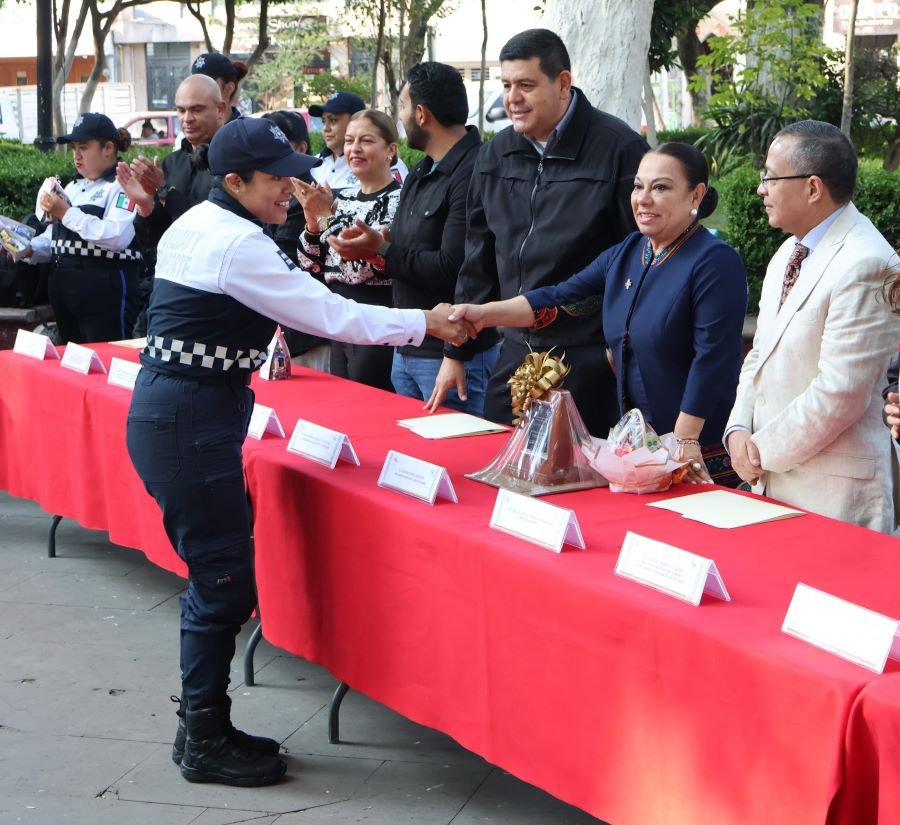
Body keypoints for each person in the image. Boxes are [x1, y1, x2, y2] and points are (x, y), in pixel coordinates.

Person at [125, 116, 466, 788]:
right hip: (191, 416)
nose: (294, 185)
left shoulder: (202, 223)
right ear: (233, 181)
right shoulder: (234, 243)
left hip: (183, 409)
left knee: (217, 576)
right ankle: (203, 735)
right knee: (221, 580)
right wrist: (423, 321)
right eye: (278, 176)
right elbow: (329, 315)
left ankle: (205, 723)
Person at [450, 143, 748, 484]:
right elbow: (558, 298)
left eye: (660, 187)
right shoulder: (629, 251)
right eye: (638, 186)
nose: (643, 199)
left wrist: (685, 439)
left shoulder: (714, 261)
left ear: (695, 196)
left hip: (696, 450)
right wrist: (483, 314)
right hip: (639, 447)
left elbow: (713, 357)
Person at [426, 29, 647, 434]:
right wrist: (454, 351)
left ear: (563, 83)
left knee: (578, 483)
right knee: (495, 471)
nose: (512, 98)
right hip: (513, 352)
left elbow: (640, 259)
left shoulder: (619, 149)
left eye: (526, 85)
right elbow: (479, 258)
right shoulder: (494, 153)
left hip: (588, 357)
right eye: (507, 85)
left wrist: (617, 348)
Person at [725, 120, 898, 532]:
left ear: (813, 187)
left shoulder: (867, 261)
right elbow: (759, 357)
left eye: (769, 176)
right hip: (769, 476)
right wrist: (736, 429)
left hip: (833, 493)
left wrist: (758, 450)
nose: (760, 188)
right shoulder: (788, 251)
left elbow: (841, 392)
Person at [328, 62, 500, 415]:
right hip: (408, 344)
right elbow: (408, 246)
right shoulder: (421, 170)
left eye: (403, 107)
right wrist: (377, 242)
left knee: (454, 460)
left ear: (421, 114)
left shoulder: (474, 171)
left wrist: (382, 249)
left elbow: (457, 267)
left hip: (451, 354)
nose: (401, 116)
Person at [294, 109, 403, 391]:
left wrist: (325, 218)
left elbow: (357, 269)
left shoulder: (398, 200)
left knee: (369, 400)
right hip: (338, 317)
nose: (354, 149)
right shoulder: (342, 199)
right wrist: (313, 224)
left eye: (365, 141)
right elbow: (310, 265)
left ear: (390, 150)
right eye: (350, 140)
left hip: (374, 318)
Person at [116, 74, 228, 334]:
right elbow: (156, 239)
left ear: (220, 109)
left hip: (213, 294)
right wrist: (145, 206)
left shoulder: (234, 161)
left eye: (196, 109)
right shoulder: (172, 162)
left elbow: (211, 227)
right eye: (181, 110)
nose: (187, 119)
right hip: (168, 287)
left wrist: (164, 191)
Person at [24, 113, 141, 343]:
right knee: (72, 367)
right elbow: (58, 238)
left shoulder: (123, 185)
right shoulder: (73, 186)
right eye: (74, 148)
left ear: (108, 148)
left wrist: (66, 212)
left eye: (84, 147)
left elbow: (116, 236)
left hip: (104, 289)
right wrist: (29, 249)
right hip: (64, 289)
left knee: (106, 359)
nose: (76, 155)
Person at [260, 109, 330, 370]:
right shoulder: (266, 197)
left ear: (301, 148)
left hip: (305, 336)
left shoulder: (312, 201)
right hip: (272, 333)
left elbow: (288, 266)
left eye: (275, 148)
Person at [309, 91, 408, 192]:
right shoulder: (313, 164)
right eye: (323, 121)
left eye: (333, 120)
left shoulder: (385, 163)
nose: (326, 128)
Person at [191, 51, 247, 122]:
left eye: (207, 83)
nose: (198, 90)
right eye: (195, 83)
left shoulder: (243, 131)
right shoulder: (193, 128)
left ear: (229, 88)